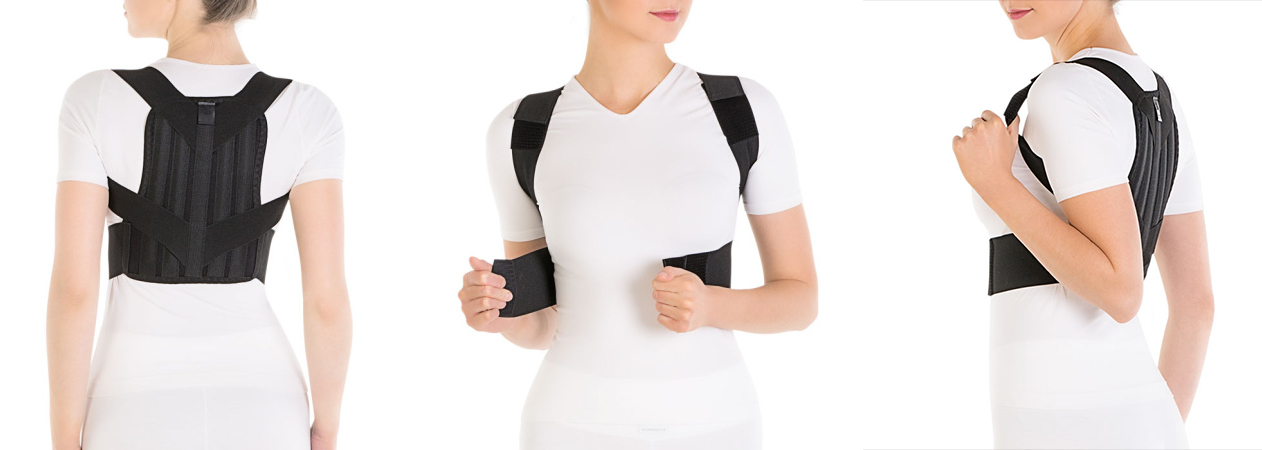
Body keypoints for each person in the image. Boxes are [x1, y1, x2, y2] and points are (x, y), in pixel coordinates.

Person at [457, 1, 818, 449]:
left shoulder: (740, 110)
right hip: (568, 426)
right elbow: (545, 324)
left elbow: (800, 299)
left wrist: (711, 305)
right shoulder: (523, 130)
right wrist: (501, 314)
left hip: (714, 424)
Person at [46, 1, 351, 449]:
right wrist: (325, 428)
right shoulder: (309, 111)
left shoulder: (94, 99)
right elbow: (326, 302)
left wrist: (63, 439)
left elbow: (74, 293)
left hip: (131, 404)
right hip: (266, 405)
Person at [951, 1, 1214, 448]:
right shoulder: (1160, 102)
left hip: (1062, 427)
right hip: (1127, 424)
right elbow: (1196, 308)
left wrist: (997, 186)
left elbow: (1121, 291)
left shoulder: (1064, 91)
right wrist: (1158, 432)